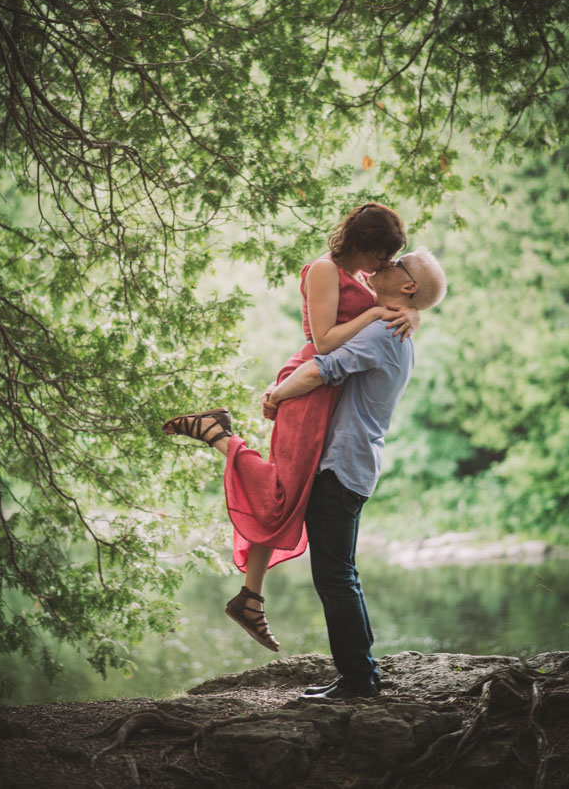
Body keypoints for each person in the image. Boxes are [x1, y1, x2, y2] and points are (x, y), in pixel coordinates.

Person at [163, 203, 419, 652]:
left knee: (290, 494)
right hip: (311, 384)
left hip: (328, 392)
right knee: (284, 491)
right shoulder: (324, 270)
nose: (384, 264)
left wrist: (408, 314)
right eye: (383, 253)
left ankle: (251, 597)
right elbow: (323, 341)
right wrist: (375, 316)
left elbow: (396, 307)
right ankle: (219, 437)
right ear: (364, 243)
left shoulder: (363, 280)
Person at [263, 247, 447, 699]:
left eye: (397, 262)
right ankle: (360, 672)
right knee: (341, 573)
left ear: (407, 287)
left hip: (341, 465)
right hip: (353, 464)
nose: (385, 262)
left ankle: (358, 679)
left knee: (335, 577)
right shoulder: (392, 325)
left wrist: (275, 395)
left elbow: (323, 369)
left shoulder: (386, 331)